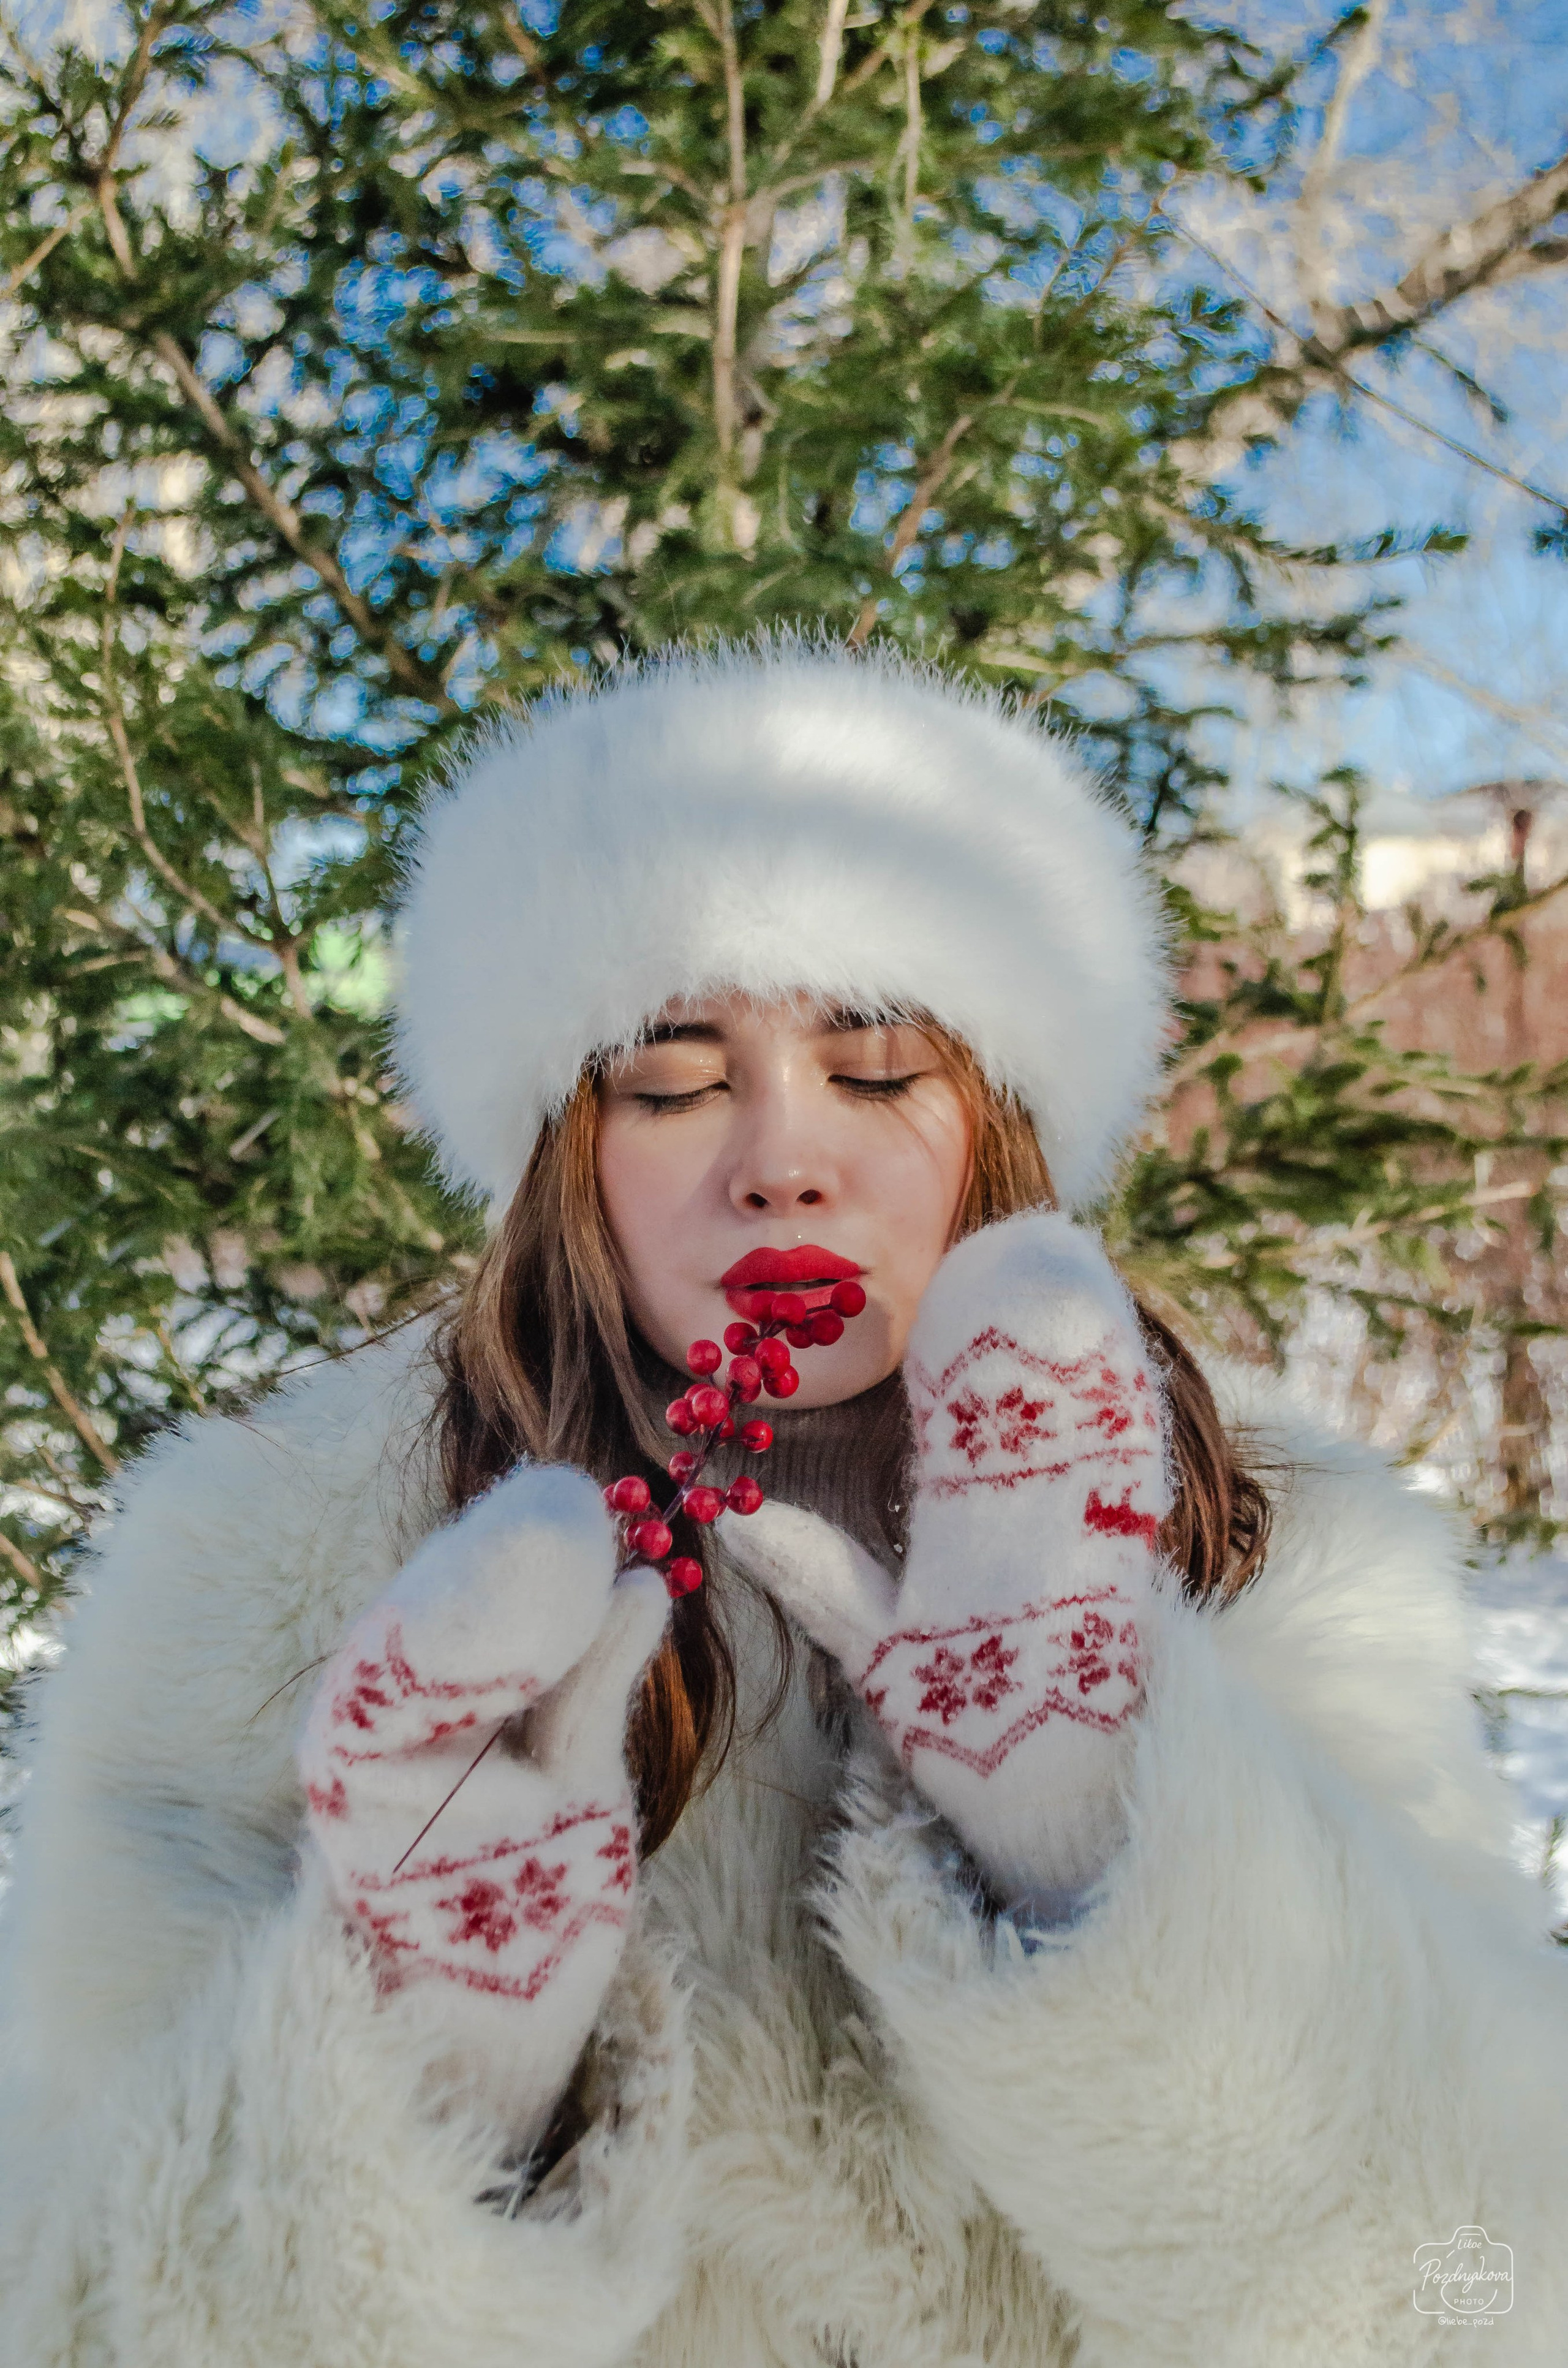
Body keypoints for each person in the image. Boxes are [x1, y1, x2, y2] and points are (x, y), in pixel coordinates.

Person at [0, 643, 1563, 2368]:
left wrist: (1099, 1845)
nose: (782, 1161)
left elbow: (1480, 2301)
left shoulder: (1285, 1565)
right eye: (674, 1084)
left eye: (877, 1066)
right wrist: (428, 2082)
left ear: (998, 1120)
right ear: (564, 1152)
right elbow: (81, 2326)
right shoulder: (268, 1584)